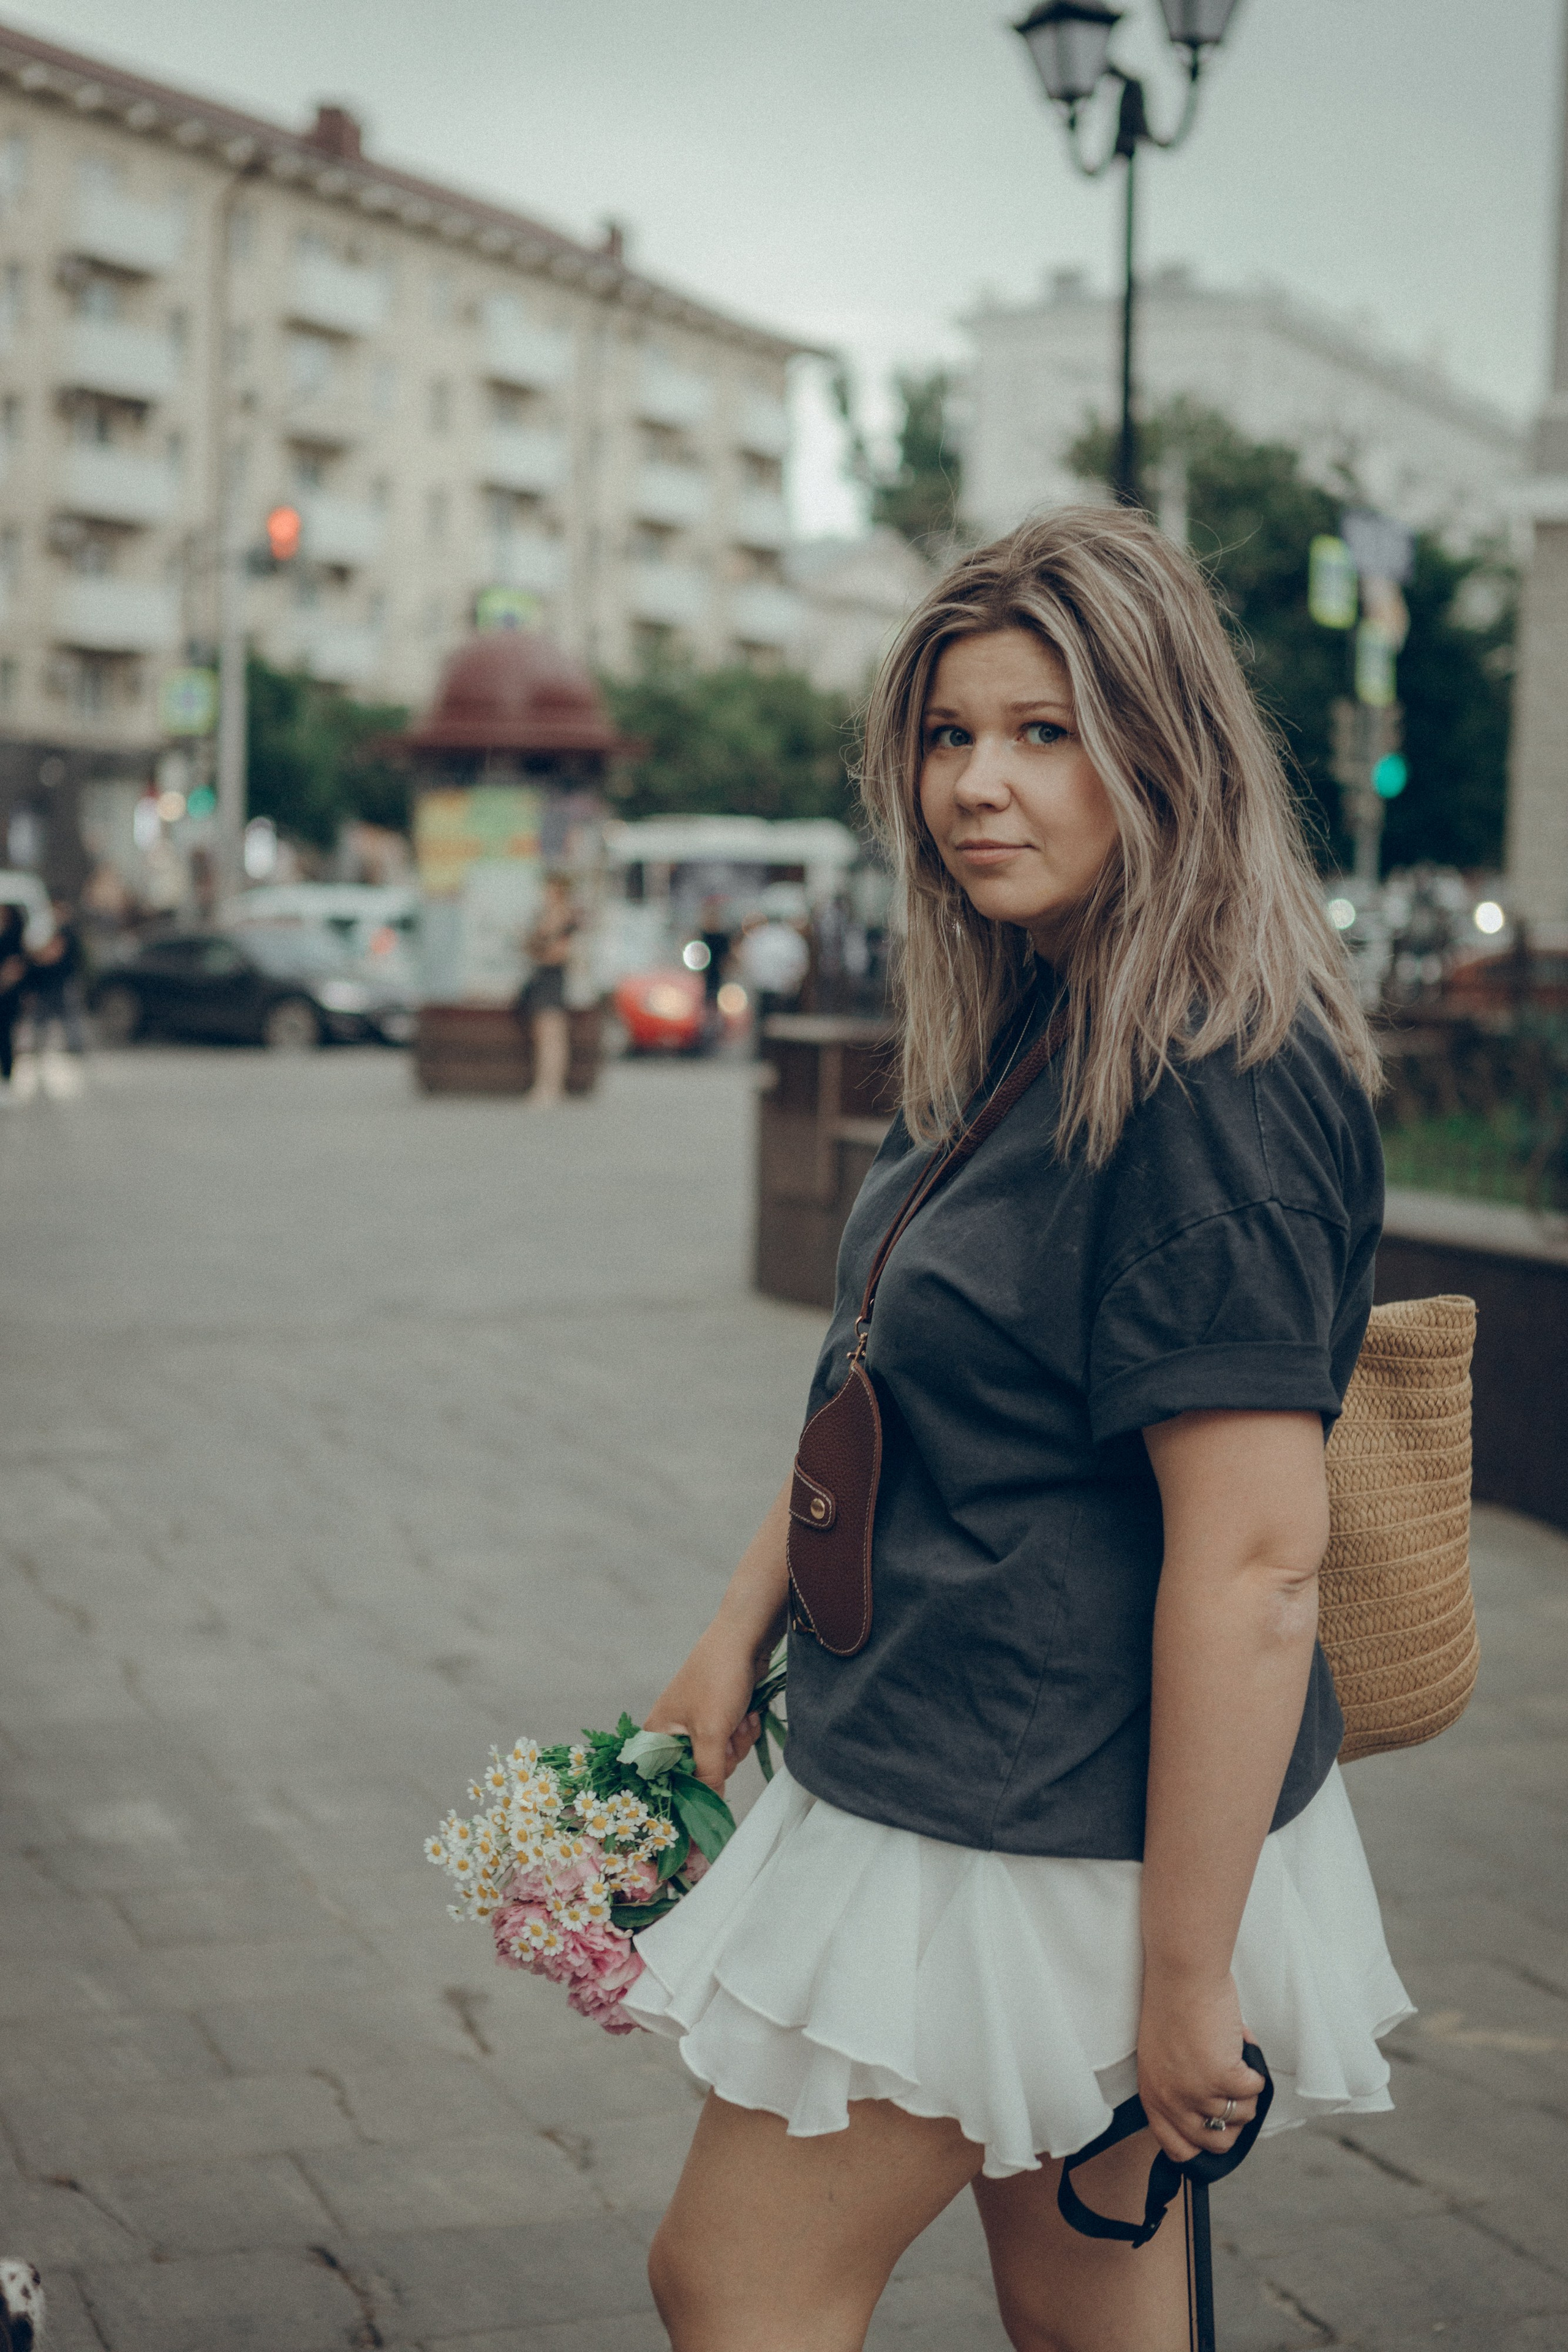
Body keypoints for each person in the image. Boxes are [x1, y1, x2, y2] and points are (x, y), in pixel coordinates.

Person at [624, 508, 1411, 2352]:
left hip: (1039, 1825)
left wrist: (1183, 1972)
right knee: (1094, 2324)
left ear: (1164, 749)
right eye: (949, 731)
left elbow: (1255, 1559)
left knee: (735, 2276)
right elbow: (881, 1380)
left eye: (1043, 731)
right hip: (955, 1753)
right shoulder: (1037, 998)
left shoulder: (1218, 1073)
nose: (975, 783)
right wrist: (735, 1631)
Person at [518, 873, 579, 1106]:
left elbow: (558, 953)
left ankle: (551, 1087)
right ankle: (546, 1085)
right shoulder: (546, 915)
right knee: (544, 1035)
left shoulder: (563, 916)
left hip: (551, 977)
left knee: (552, 1036)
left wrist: (536, 951)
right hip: (542, 977)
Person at [26, 898, 86, 1057]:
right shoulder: (57, 931)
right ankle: (43, 1047)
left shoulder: (66, 932)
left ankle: (75, 1047)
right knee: (47, 1017)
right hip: (52, 981)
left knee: (67, 1015)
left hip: (62, 980)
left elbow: (54, 954)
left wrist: (36, 956)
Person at [0, 904, 26, 1100]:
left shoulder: (12, 937)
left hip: (7, 996)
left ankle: (8, 1077)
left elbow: (16, 967)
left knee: (5, 1037)